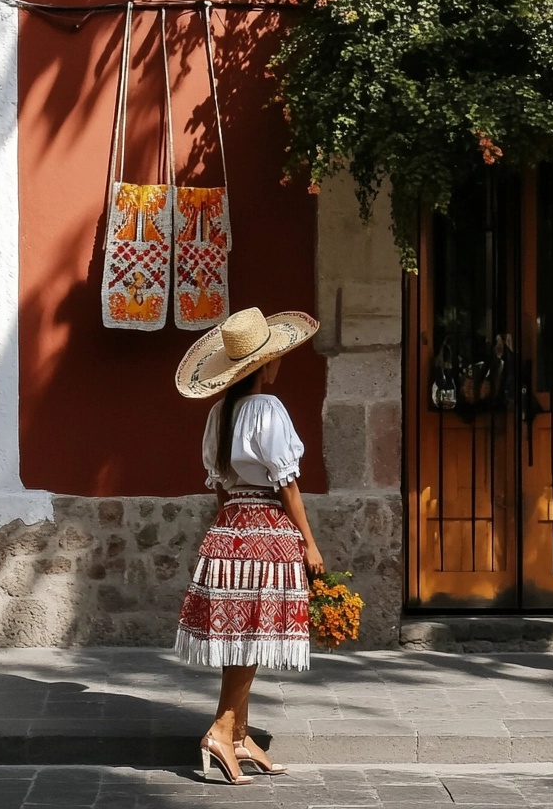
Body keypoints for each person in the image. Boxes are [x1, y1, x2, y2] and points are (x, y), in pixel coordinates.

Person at [172, 307, 325, 786]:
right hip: (266, 529)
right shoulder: (267, 409)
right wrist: (309, 542)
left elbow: (219, 482)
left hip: (230, 526)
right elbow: (287, 484)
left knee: (244, 634)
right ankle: (222, 730)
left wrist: (234, 518)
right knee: (253, 632)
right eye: (275, 358)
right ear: (263, 365)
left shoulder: (220, 413)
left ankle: (237, 733)